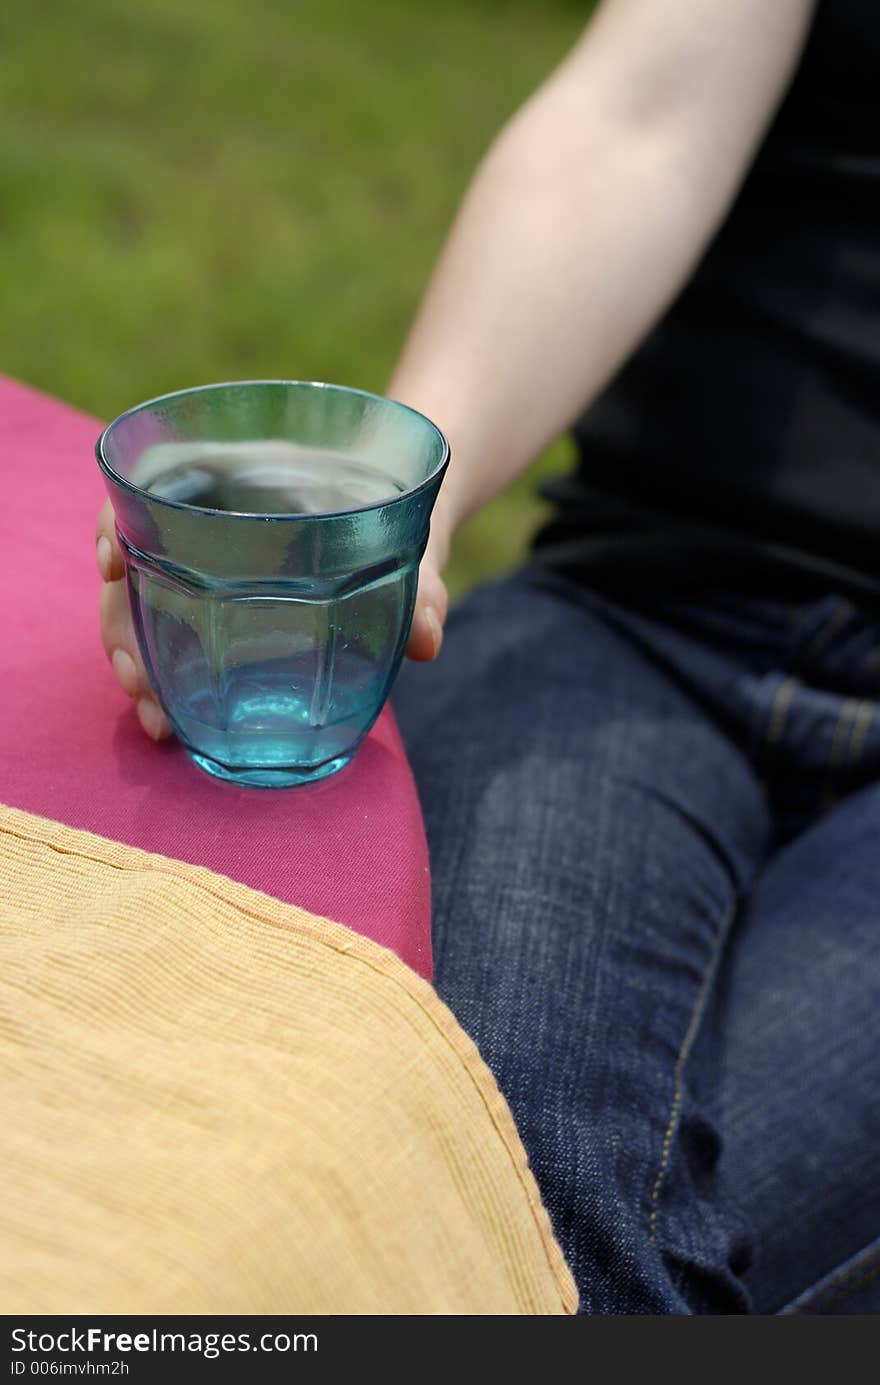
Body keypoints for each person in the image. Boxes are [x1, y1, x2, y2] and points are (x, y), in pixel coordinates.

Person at [96, 0, 880, 1313]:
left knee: (546, 1253)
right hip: (646, 616)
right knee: (490, 1153)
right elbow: (644, 112)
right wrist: (398, 499)